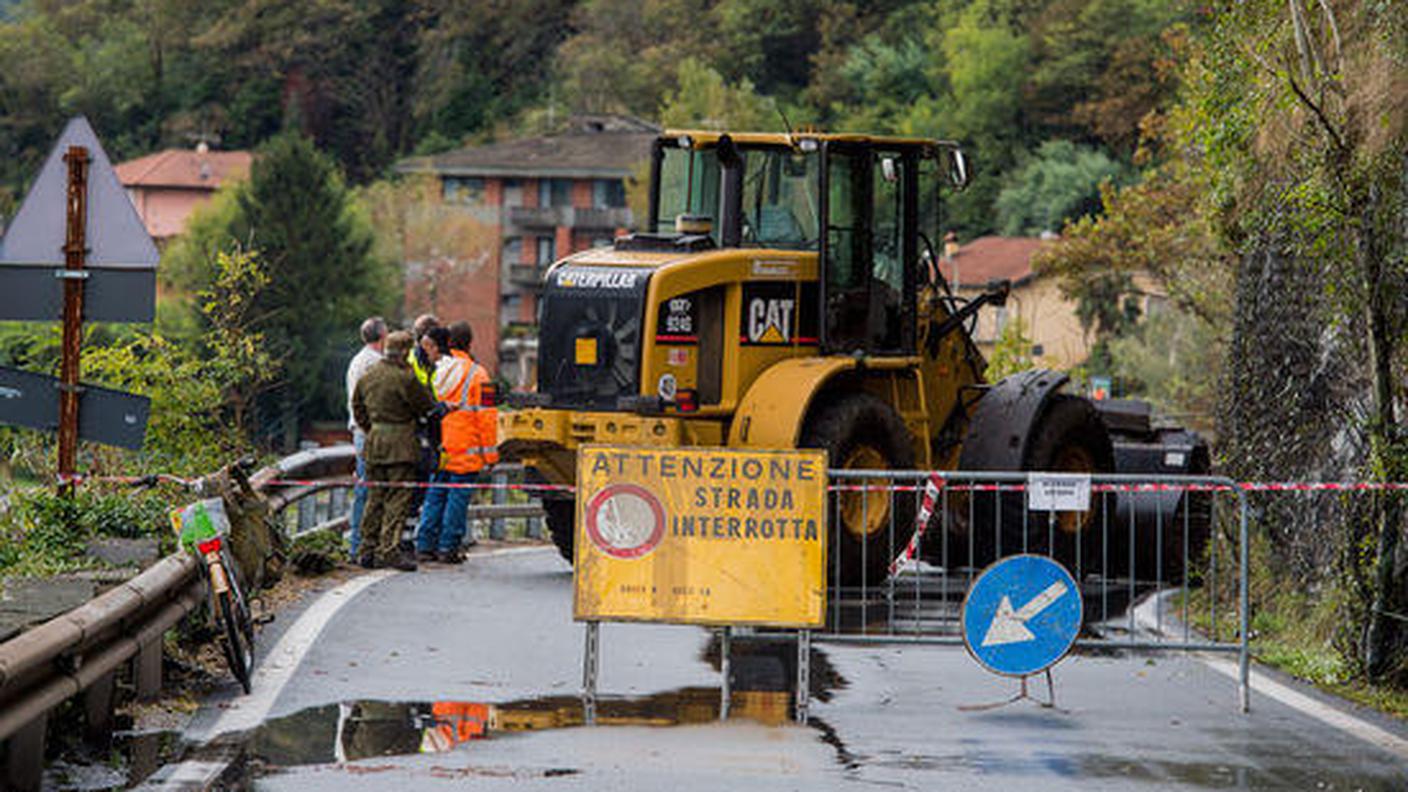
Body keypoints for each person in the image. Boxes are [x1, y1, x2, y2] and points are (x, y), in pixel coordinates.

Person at [352, 331, 437, 571]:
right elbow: (425, 406)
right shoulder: (406, 378)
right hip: (400, 443)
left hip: (374, 441)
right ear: (405, 352)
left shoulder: (369, 376)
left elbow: (357, 407)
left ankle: (366, 550)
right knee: (397, 498)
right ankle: (388, 550)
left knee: (374, 497)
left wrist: (372, 428)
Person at [416, 321, 498, 563]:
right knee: (457, 500)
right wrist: (491, 455)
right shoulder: (479, 375)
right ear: (470, 342)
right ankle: (448, 548)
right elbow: (487, 417)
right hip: (467, 449)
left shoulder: (439, 370)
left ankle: (425, 545)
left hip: (441, 445)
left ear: (448, 342)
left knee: (435, 495)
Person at [344, 316, 386, 561]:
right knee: (371, 491)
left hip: (359, 431)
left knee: (364, 488)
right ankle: (362, 547)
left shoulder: (357, 360)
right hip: (372, 432)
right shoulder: (376, 363)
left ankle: (357, 545)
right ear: (382, 336)